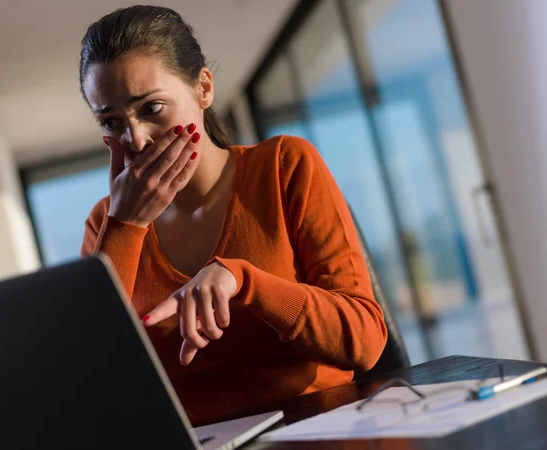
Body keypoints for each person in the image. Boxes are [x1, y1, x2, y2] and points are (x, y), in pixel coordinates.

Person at [79, 5, 387, 425]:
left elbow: (364, 342)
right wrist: (126, 227)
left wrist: (246, 282)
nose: (135, 139)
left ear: (203, 88)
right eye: (111, 122)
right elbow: (89, 382)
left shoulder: (284, 166)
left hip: (319, 426)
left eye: (151, 109)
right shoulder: (106, 223)